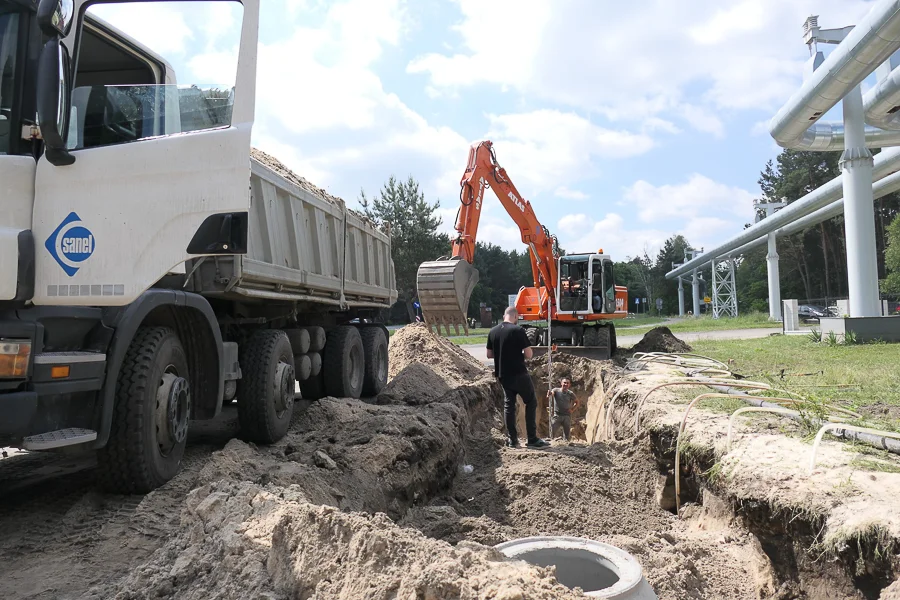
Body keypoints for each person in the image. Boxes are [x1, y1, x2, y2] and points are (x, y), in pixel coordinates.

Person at [486, 307, 549, 449]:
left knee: (509, 405)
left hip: (503, 374)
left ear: (504, 315)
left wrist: (503, 353)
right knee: (531, 402)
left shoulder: (493, 331)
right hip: (519, 373)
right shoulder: (518, 330)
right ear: (516, 316)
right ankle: (532, 439)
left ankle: (512, 440)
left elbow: (489, 355)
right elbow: (529, 354)